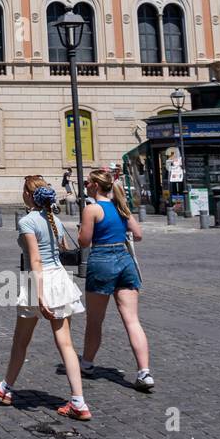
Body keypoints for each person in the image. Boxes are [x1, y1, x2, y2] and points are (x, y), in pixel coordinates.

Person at [0, 177, 91, 420]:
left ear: (29, 195)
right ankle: (78, 401)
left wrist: (39, 296)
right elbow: (59, 249)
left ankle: (5, 389)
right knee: (66, 344)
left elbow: (36, 259)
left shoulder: (27, 221)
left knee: (20, 341)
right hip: (60, 279)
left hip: (39, 281)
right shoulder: (56, 221)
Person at [79, 168, 154, 392]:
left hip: (102, 260)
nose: (85, 186)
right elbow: (138, 235)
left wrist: (82, 230)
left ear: (94, 185)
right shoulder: (121, 207)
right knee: (132, 320)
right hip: (124, 260)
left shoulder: (91, 209)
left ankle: (87, 363)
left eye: (87, 183)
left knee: (95, 320)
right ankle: (144, 372)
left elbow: (84, 241)